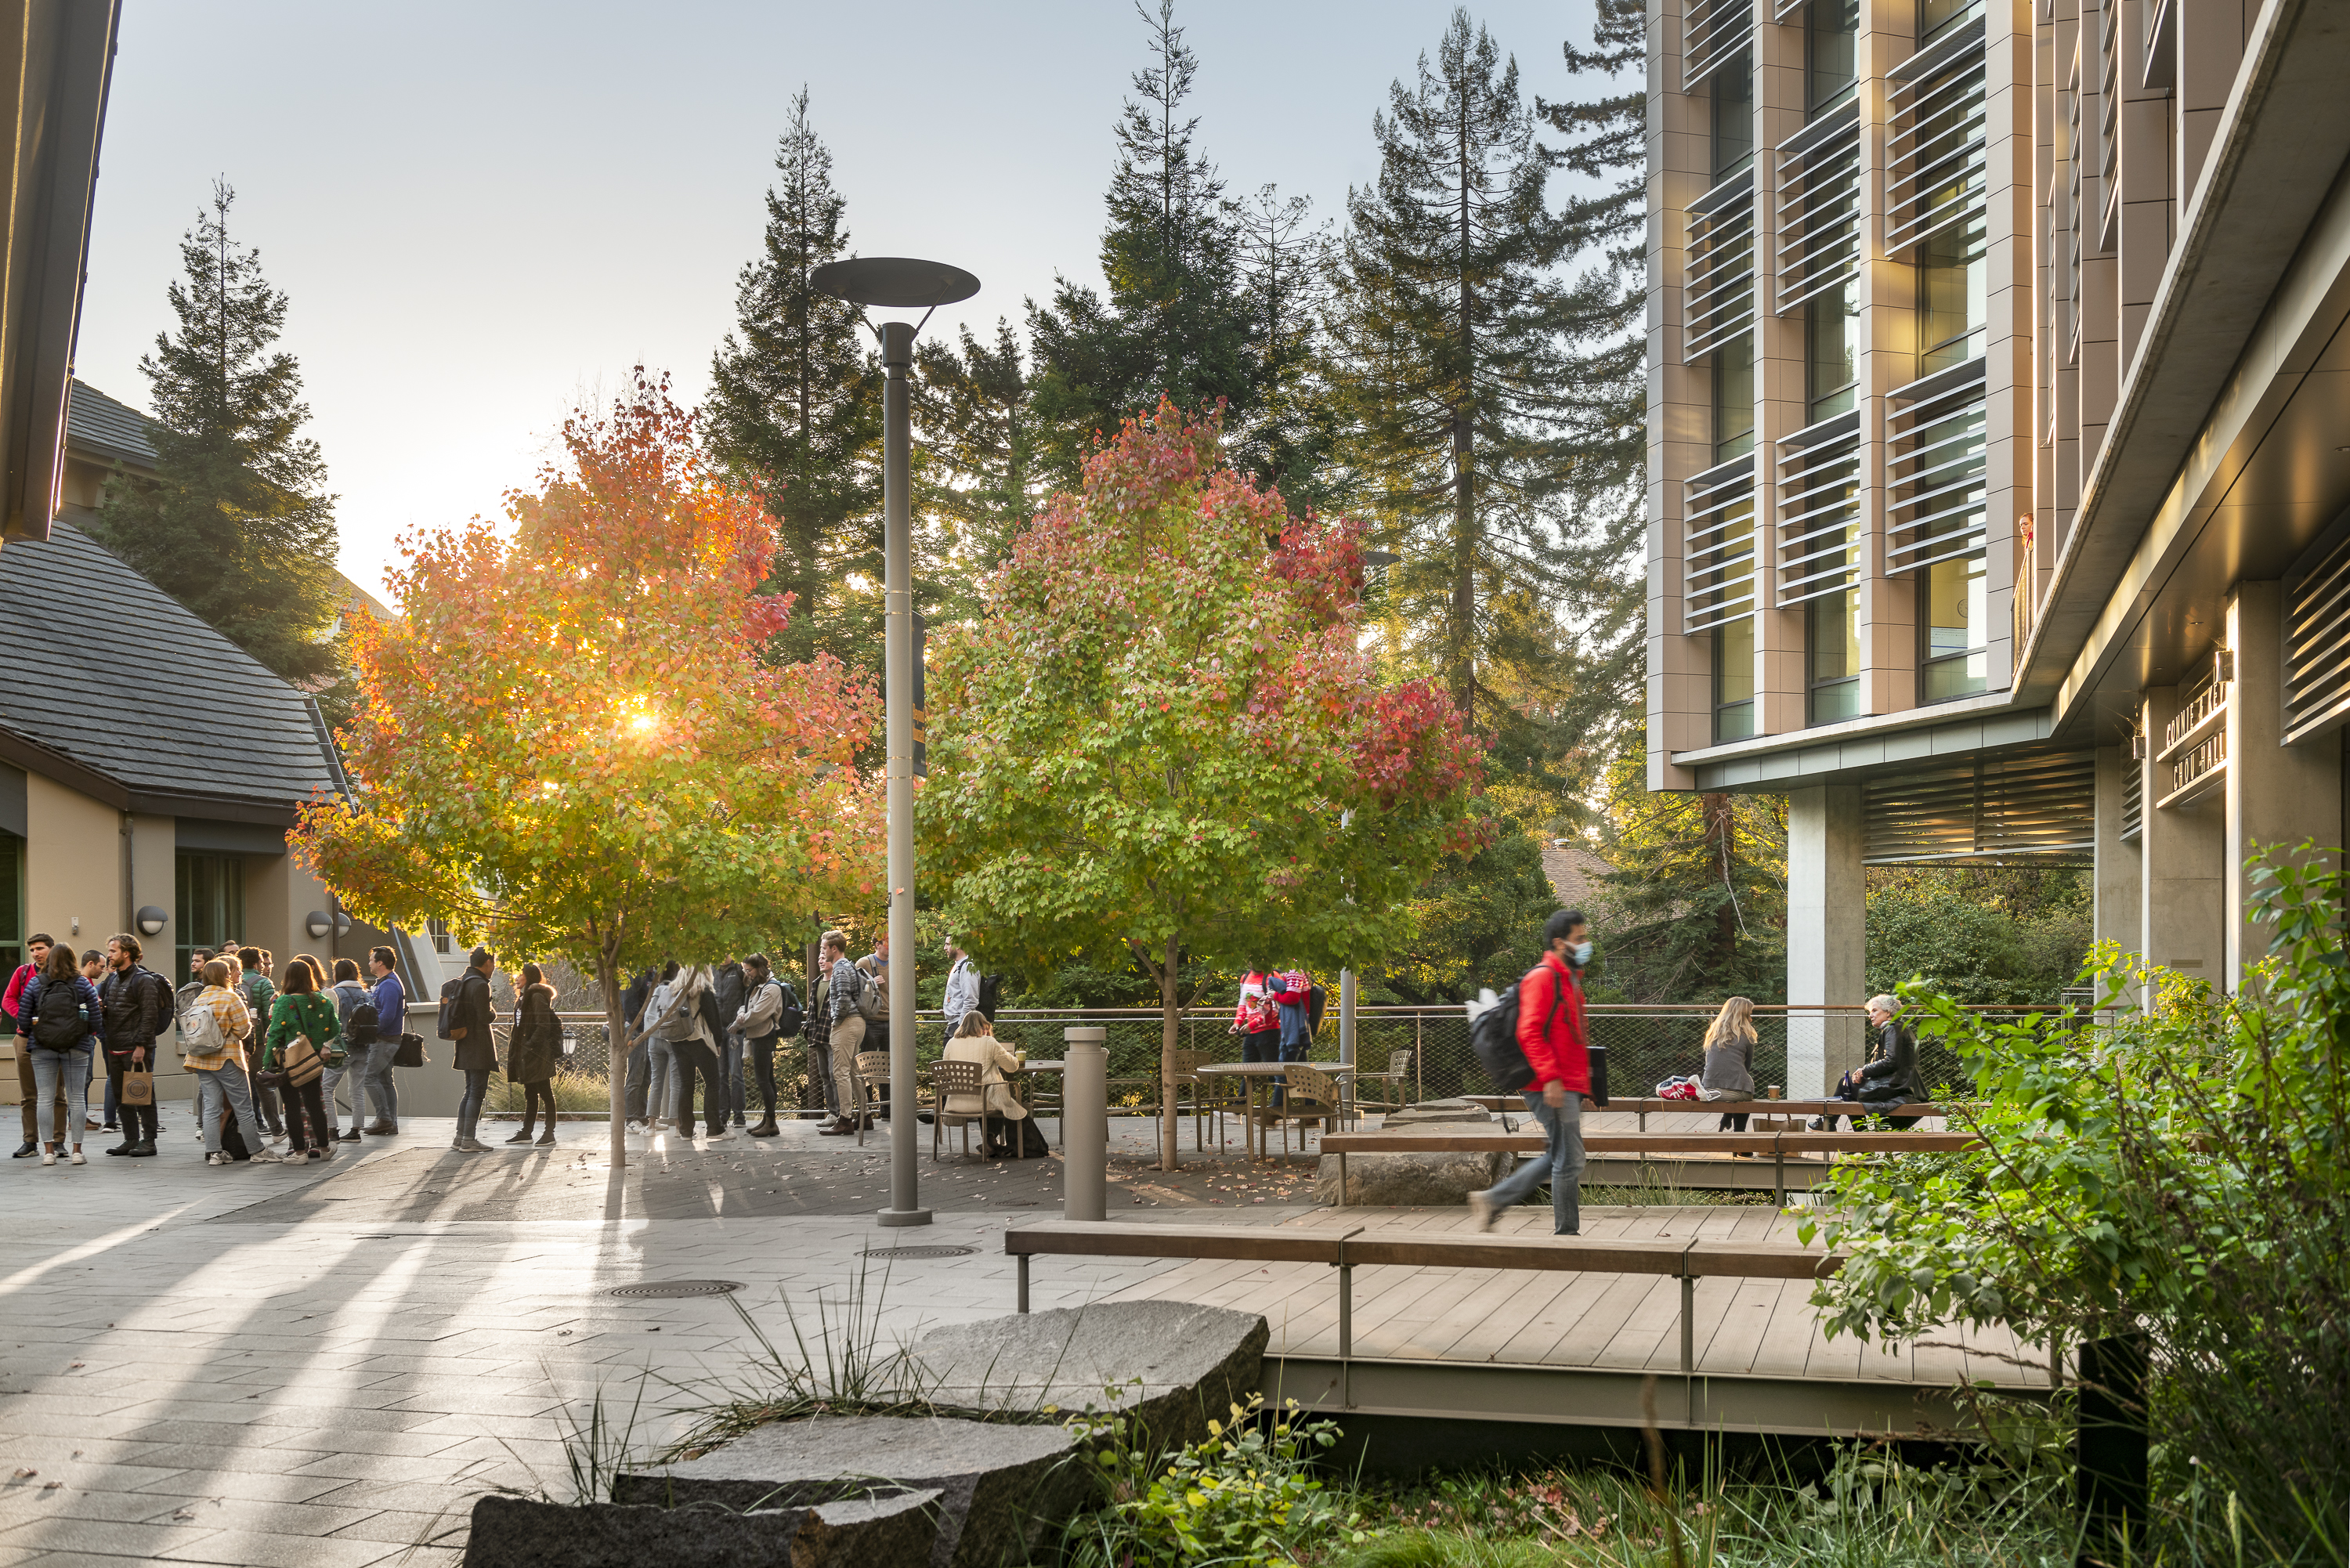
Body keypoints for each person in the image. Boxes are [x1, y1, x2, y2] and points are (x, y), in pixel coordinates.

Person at [1470, 909, 1593, 1236]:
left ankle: (1494, 1200)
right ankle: (1566, 1234)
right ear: (1559, 942)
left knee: (1561, 1154)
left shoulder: (1568, 979)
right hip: (1548, 1083)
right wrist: (1552, 1078)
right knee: (1569, 1160)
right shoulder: (1543, 977)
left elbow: (1573, 1039)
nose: (1586, 944)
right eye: (1579, 938)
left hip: (1565, 1082)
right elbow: (1530, 1032)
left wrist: (1586, 1086)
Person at [183, 958, 276, 1165]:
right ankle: (256, 1149)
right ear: (224, 976)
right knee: (243, 1106)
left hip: (202, 1060)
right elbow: (244, 1029)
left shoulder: (198, 1000)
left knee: (211, 1107)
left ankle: (214, 1152)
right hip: (227, 1059)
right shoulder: (229, 997)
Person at [16, 939, 101, 1165]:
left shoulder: (36, 983)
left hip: (42, 1047)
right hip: (77, 1047)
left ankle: (48, 1153)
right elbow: (96, 1018)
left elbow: (23, 1021)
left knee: (44, 1098)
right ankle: (76, 1151)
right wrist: (85, 1033)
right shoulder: (83, 984)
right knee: (75, 1098)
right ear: (73, 960)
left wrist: (35, 1032)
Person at [98, 934, 174, 1158]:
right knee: (121, 1096)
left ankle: (149, 1141)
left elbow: (149, 1015)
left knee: (143, 1094)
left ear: (126, 953)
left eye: (113, 951)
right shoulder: (112, 979)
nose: (109, 955)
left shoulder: (144, 980)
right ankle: (130, 1139)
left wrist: (141, 1046)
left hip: (135, 1048)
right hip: (114, 1046)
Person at [261, 955, 341, 1162]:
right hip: (312, 1059)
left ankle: (299, 1153)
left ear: (288, 978)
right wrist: (322, 1046)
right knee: (315, 1104)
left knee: (292, 1106)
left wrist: (268, 1062)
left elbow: (275, 1033)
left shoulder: (284, 1001)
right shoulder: (322, 1000)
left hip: (289, 1059)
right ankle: (323, 1148)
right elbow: (335, 1027)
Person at [939, 1010, 1031, 1158]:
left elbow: (946, 1068)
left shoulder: (951, 1043)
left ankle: (990, 1143)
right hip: (982, 1100)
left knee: (994, 1096)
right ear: (983, 1026)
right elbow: (1011, 1067)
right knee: (1000, 1097)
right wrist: (1014, 1057)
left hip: (956, 1101)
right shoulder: (988, 1041)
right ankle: (996, 1142)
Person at [8, 932, 65, 1158]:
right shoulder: (22, 973)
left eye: (40, 948)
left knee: (57, 1094)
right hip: (25, 1038)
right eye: (32, 950)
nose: (35, 953)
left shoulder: (64, 974)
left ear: (52, 949)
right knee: (28, 1095)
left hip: (55, 1039)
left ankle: (58, 1142)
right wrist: (24, 1018)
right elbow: (8, 999)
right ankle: (30, 1142)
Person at [446, 946, 498, 1153]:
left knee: (469, 1092)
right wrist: (493, 1012)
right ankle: (469, 1139)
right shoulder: (480, 985)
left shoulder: (464, 981)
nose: (494, 968)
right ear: (487, 963)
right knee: (477, 1092)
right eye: (493, 963)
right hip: (479, 1044)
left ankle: (460, 1137)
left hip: (465, 1042)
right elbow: (484, 1016)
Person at [814, 930, 866, 1135]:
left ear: (834, 949)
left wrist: (836, 1022)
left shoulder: (841, 969)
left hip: (847, 1023)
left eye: (823, 948)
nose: (822, 952)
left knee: (840, 1072)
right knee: (852, 1071)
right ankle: (865, 1115)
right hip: (855, 1023)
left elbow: (843, 999)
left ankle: (845, 1119)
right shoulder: (848, 966)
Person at [505, 962, 562, 1146]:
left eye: (520, 975)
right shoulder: (523, 998)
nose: (517, 978)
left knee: (545, 1092)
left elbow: (544, 1025)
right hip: (526, 1054)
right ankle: (527, 1132)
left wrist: (529, 1046)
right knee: (530, 1092)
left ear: (528, 976)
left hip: (537, 1054)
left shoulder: (536, 996)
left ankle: (549, 1133)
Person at [732, 952, 788, 1138]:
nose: (746, 974)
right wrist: (742, 1014)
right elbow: (746, 1005)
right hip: (756, 1035)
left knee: (764, 1080)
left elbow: (758, 1013)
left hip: (764, 1036)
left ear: (759, 968)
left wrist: (740, 1022)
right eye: (744, 970)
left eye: (749, 970)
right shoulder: (757, 985)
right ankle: (767, 1119)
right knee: (767, 1079)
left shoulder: (772, 988)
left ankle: (771, 1122)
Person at [1852, 994, 1926, 1129]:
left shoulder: (1893, 1029)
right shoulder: (1897, 1028)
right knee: (1848, 1087)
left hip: (1897, 1087)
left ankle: (1857, 1139)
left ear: (1888, 1012)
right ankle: (1860, 1141)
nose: (1870, 1016)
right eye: (1870, 1012)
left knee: (1846, 1086)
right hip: (1900, 1084)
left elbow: (1891, 1062)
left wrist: (1864, 1071)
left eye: (1874, 1011)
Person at [324, 957, 373, 1143]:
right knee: (357, 1090)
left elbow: (332, 1022)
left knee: (326, 1087)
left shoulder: (336, 993)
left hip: (341, 1047)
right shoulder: (367, 994)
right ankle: (356, 1130)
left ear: (338, 974)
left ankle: (332, 1129)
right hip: (364, 1047)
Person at [238, 945, 284, 1140]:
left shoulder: (233, 980)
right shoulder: (264, 983)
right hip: (257, 1044)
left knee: (239, 1088)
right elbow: (270, 1016)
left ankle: (242, 1130)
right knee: (264, 1086)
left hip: (237, 1043)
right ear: (257, 963)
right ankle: (275, 1128)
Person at [1701, 995, 1759, 1136]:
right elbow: (1747, 1066)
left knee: (1735, 1082)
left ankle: (1727, 1117)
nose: (1751, 1019)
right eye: (1749, 1015)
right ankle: (1739, 1134)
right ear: (1743, 1016)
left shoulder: (1712, 1034)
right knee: (1745, 1086)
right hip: (1736, 1093)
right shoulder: (1747, 1036)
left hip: (1709, 1091)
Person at [363, 946, 406, 1135]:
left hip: (384, 1040)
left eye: (372, 960)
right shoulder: (386, 982)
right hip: (388, 1039)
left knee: (368, 1077)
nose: (369, 963)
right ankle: (391, 1122)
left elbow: (386, 1016)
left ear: (380, 963)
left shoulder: (388, 985)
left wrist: (369, 1031)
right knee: (386, 1081)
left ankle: (384, 1119)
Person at [620, 962, 658, 1129]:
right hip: (638, 1032)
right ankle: (631, 1118)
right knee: (635, 1075)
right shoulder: (633, 975)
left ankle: (642, 1116)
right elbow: (629, 1004)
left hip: (650, 1031)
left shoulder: (653, 975)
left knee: (646, 1076)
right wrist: (640, 1027)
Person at [712, 957, 747, 1129]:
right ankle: (722, 1115)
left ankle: (739, 1116)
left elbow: (747, 996)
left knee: (736, 1073)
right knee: (720, 1075)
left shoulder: (739, 970)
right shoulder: (711, 971)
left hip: (736, 1030)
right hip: (717, 1030)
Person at [942, 938, 979, 1028]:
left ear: (958, 946)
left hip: (960, 1024)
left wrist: (961, 1024)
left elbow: (971, 999)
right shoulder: (959, 965)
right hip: (954, 1023)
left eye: (948, 944)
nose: (944, 948)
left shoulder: (967, 966)